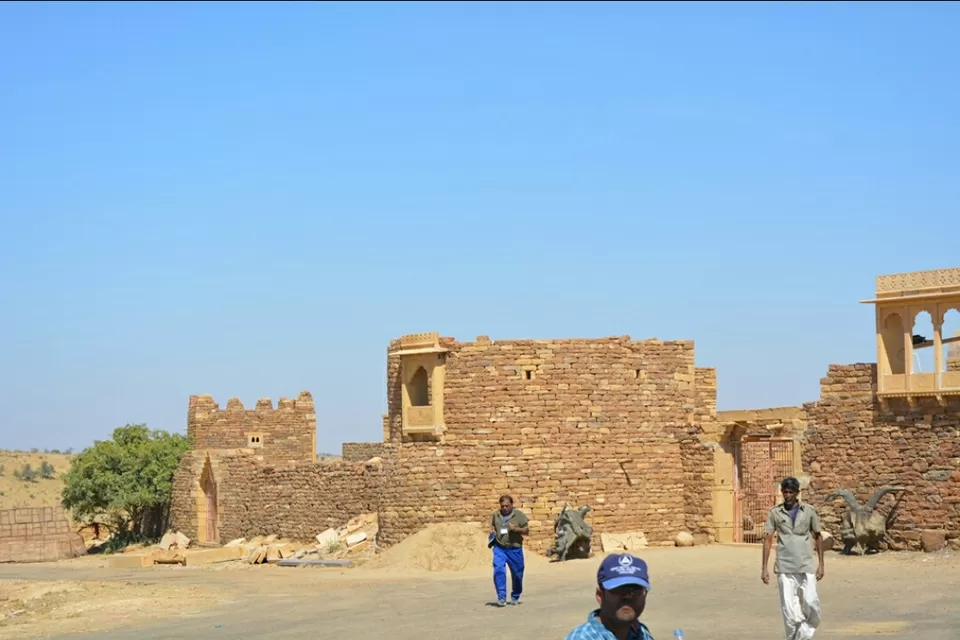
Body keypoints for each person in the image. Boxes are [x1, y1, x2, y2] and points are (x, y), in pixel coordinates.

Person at [762, 476, 825, 640]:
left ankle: (805, 631)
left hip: (806, 565)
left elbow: (818, 536)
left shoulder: (809, 511)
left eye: (791, 492)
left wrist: (821, 565)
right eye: (785, 492)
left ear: (797, 492)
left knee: (811, 603)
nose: (787, 495)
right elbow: (768, 539)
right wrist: (764, 568)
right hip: (785, 566)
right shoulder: (775, 512)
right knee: (790, 612)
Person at [564, 553, 655, 640]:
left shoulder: (641, 634)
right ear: (600, 596)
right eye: (619, 589)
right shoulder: (583, 638)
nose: (627, 597)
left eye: (635, 590)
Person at [489, 494, 529, 607]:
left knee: (517, 574)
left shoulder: (519, 516)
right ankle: (501, 597)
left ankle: (515, 595)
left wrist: (515, 529)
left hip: (514, 549)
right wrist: (492, 530)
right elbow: (493, 525)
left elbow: (527, 531)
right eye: (502, 506)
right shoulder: (496, 515)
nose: (504, 508)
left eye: (507, 506)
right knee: (498, 570)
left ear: (512, 505)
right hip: (500, 548)